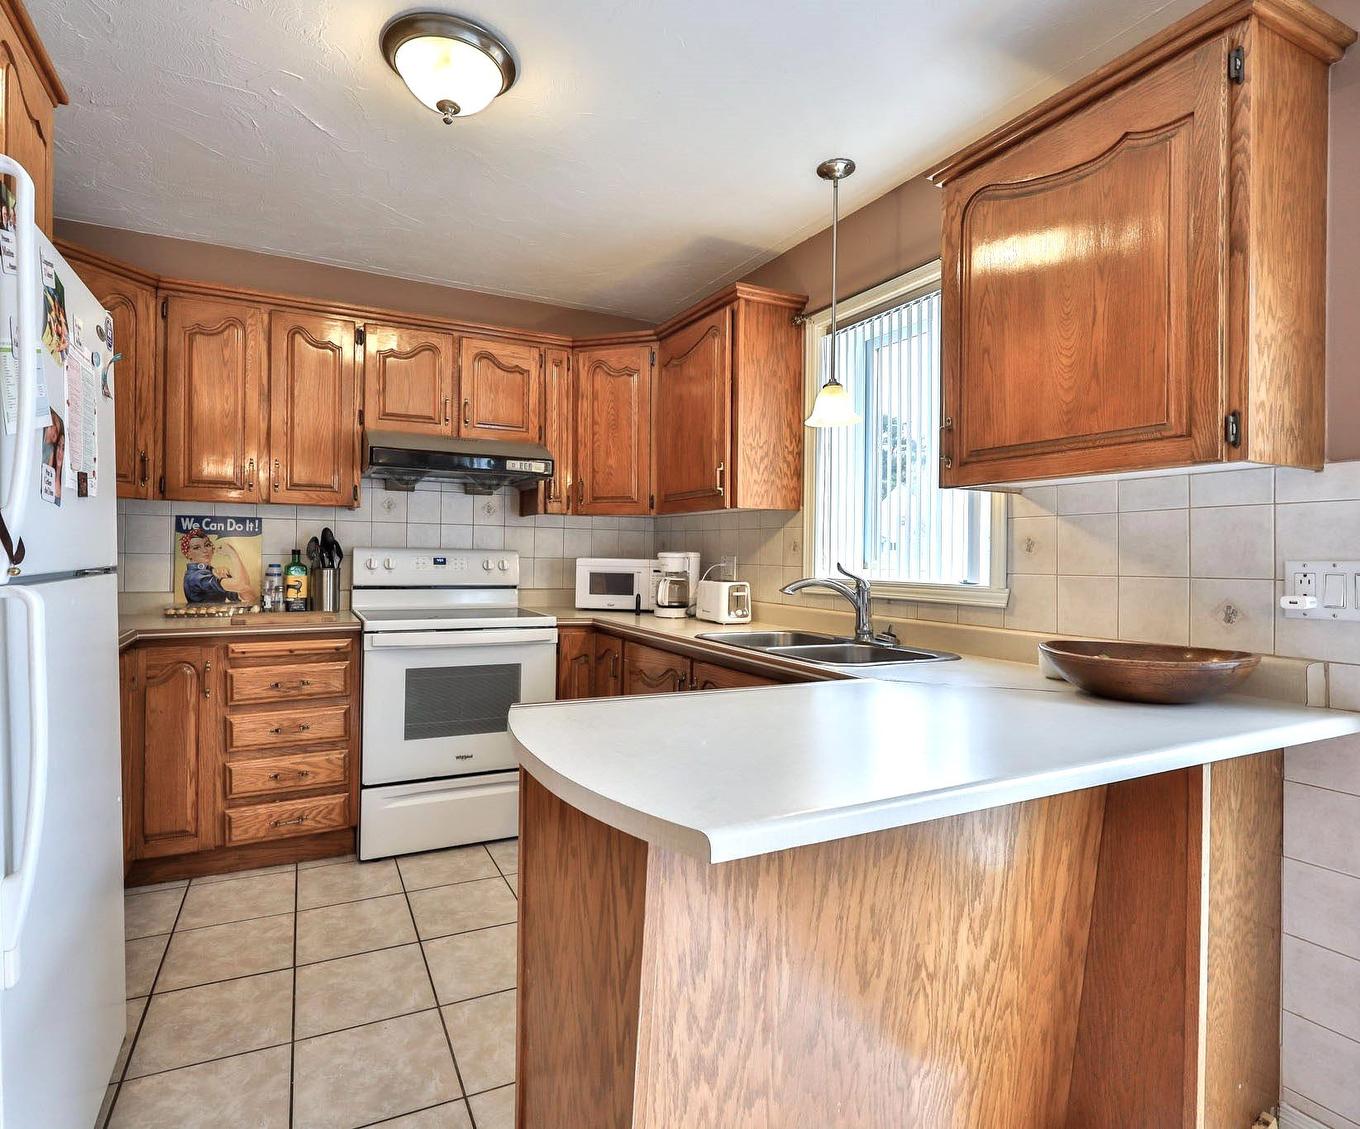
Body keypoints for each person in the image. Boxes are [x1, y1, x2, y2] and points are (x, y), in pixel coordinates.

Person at [180, 526, 257, 604]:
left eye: (207, 545)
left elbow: (250, 596)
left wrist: (228, 577)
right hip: (204, 615)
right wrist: (232, 554)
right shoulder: (196, 576)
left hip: (219, 615)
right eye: (196, 548)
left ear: (212, 548)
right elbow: (241, 586)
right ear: (188, 554)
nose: (204, 550)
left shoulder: (212, 572)